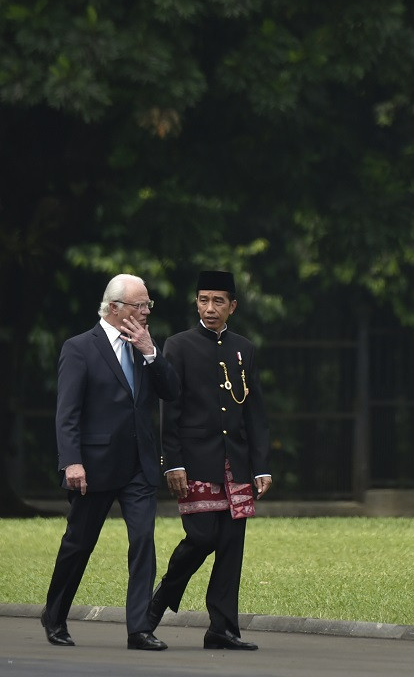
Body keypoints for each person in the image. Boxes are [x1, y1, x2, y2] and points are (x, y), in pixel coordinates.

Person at [42, 273, 181, 651]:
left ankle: (138, 628)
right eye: (141, 305)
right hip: (94, 466)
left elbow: (172, 392)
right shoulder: (79, 348)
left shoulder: (144, 345)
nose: (147, 310)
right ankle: (54, 615)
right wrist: (71, 462)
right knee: (78, 544)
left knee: (142, 542)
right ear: (115, 307)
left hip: (139, 465)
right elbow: (66, 413)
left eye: (148, 304)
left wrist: (152, 352)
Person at [149, 270, 272, 651]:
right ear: (196, 303)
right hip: (195, 461)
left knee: (232, 545)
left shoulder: (244, 349)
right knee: (201, 538)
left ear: (232, 306)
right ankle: (158, 603)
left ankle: (223, 628)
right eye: (203, 299)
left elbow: (254, 411)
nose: (210, 308)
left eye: (218, 301)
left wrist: (261, 465)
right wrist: (172, 462)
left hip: (236, 463)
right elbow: (171, 408)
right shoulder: (179, 345)